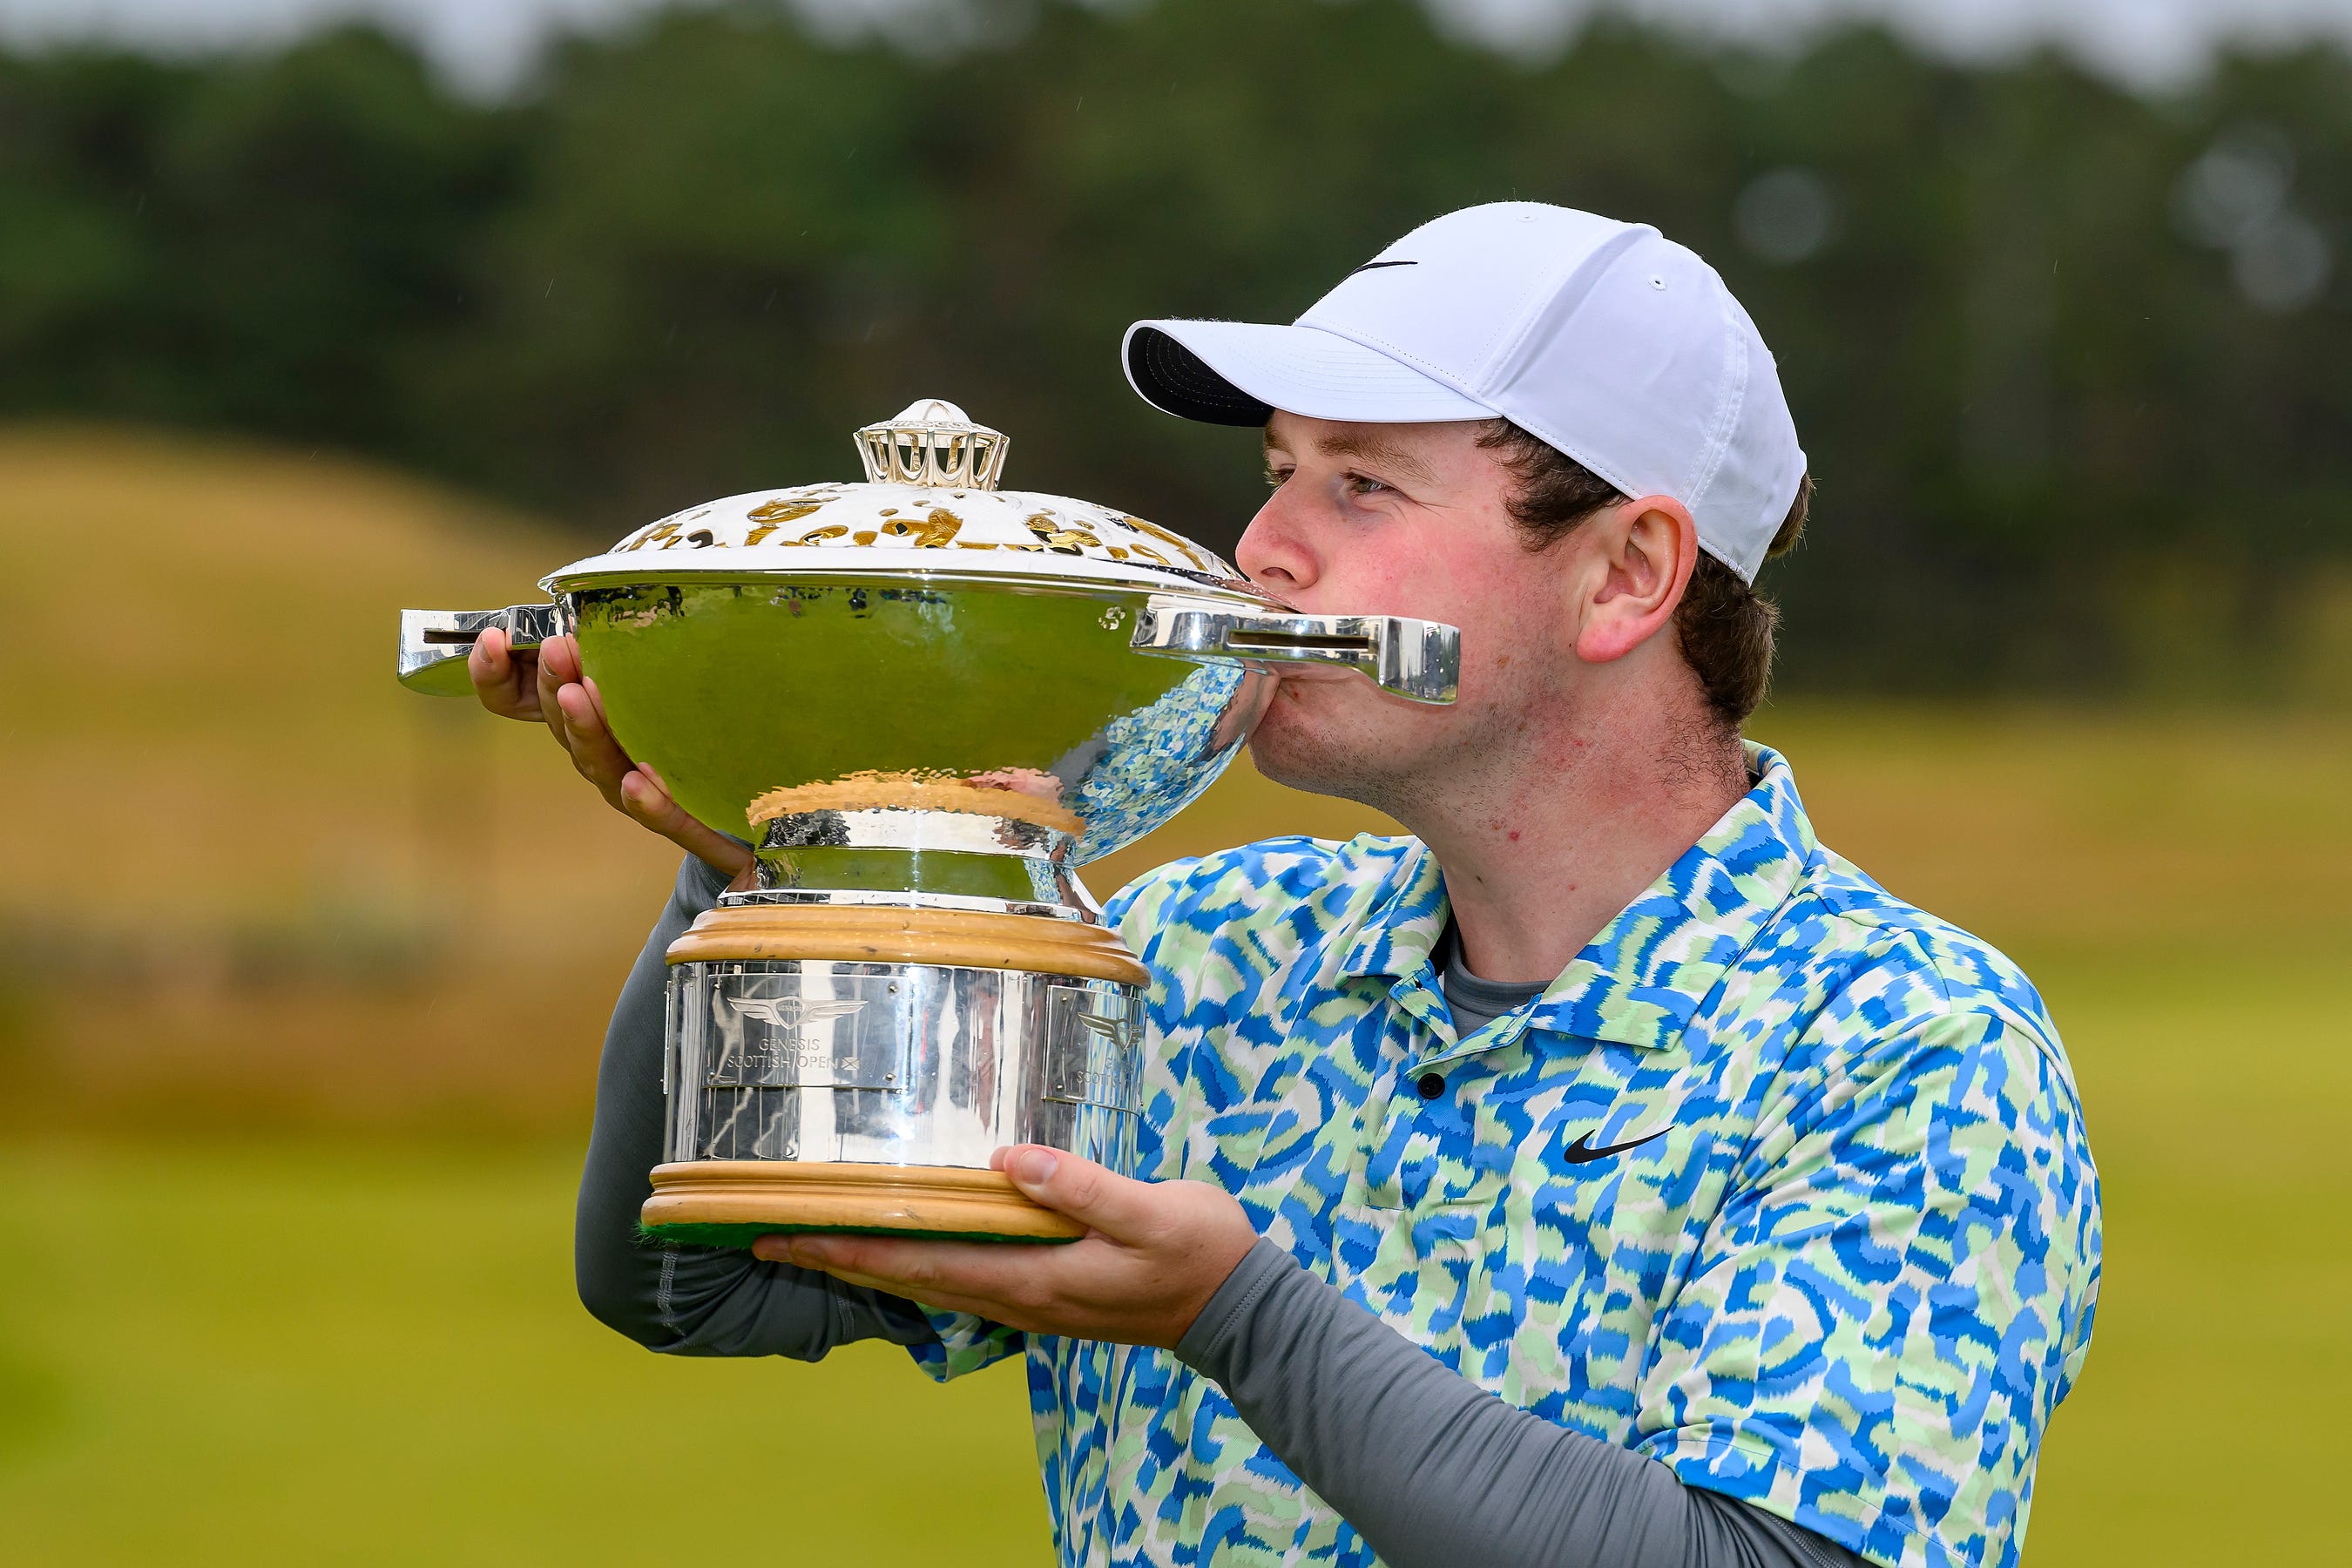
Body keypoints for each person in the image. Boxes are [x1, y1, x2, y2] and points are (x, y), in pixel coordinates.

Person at [470, 203, 2100, 1568]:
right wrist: (780, 879)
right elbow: (689, 1291)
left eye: (1362, 486)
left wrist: (1241, 1317)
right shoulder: (1206, 951)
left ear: (1626, 576)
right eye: (1277, 468)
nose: (1262, 550)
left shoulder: (1906, 1042)